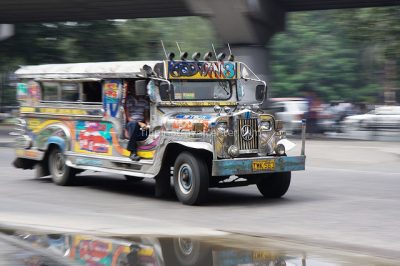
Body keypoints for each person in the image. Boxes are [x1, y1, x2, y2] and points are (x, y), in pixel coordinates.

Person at [125, 82, 150, 161]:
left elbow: (146, 116)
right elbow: (128, 117)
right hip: (131, 124)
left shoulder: (144, 101)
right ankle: (133, 152)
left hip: (141, 125)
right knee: (133, 124)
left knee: (144, 134)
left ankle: (131, 147)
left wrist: (147, 124)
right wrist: (140, 123)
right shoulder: (129, 100)